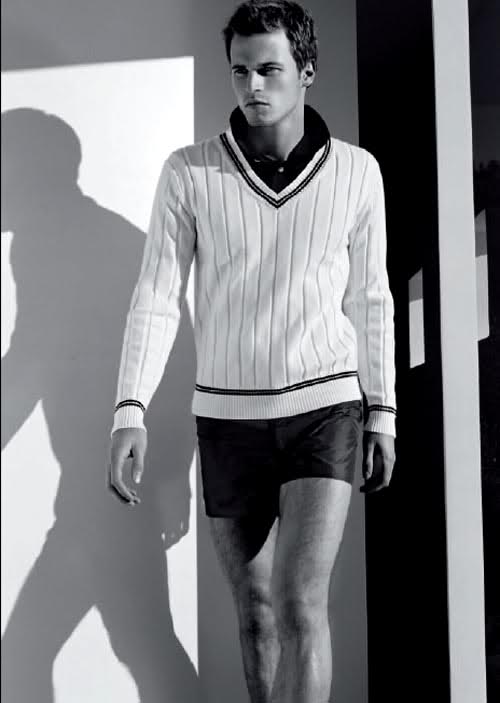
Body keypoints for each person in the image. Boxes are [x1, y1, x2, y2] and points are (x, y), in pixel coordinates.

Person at [107, 1, 396, 701]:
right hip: (227, 418)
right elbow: (156, 295)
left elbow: (371, 298)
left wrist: (383, 409)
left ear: (308, 70)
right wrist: (128, 410)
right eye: (240, 71)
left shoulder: (357, 173)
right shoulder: (189, 172)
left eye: (269, 69)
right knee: (259, 615)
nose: (253, 86)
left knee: (301, 603)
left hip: (325, 409)